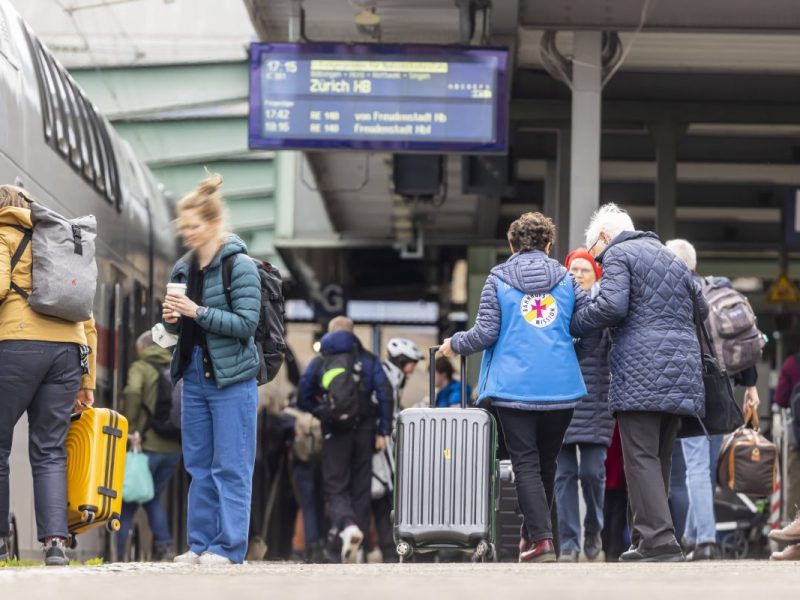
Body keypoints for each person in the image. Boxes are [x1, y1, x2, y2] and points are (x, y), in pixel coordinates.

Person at [440, 212, 598, 563]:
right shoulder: (568, 280)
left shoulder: (497, 279)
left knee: (525, 462)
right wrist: (570, 356)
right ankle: (534, 535)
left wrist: (455, 343)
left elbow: (485, 333)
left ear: (512, 245)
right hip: (561, 387)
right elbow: (589, 330)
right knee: (547, 463)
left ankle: (541, 539)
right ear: (549, 244)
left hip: (512, 388)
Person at [570, 204, 708, 563]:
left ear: (603, 238)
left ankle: (660, 541)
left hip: (642, 370)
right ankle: (648, 539)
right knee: (658, 457)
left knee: (640, 458)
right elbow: (702, 309)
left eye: (596, 253)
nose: (598, 262)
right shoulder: (671, 257)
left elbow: (613, 306)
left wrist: (577, 320)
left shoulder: (619, 254)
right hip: (683, 372)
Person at [162, 173, 262, 566]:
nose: (187, 233)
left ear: (214, 223)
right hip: (193, 374)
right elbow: (176, 329)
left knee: (231, 466)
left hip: (232, 378)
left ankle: (229, 547)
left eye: (194, 226)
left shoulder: (239, 266)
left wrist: (197, 312)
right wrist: (172, 318)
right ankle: (200, 544)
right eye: (183, 227)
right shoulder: (182, 270)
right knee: (198, 465)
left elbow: (246, 325)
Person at [0, 185, 97, 566]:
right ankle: (56, 543)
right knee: (50, 450)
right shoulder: (59, 238)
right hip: (68, 353)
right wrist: (87, 382)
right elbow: (87, 315)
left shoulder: (2, 233)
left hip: (18, 347)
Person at [666, 238, 761, 561]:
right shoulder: (716, 291)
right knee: (704, 471)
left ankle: (705, 540)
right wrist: (751, 386)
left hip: (692, 388)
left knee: (694, 468)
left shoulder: (678, 295)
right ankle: (694, 536)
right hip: (722, 390)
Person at [298, 316, 392, 563]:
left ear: (329, 333)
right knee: (361, 488)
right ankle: (358, 549)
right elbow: (384, 393)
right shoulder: (368, 359)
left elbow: (303, 395)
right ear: (353, 334)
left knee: (335, 485)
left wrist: (322, 412)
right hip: (365, 430)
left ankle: (348, 526)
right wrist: (383, 429)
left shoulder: (321, 360)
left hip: (334, 431)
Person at [555, 248, 613, 562]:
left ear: (596, 276)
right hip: (561, 403)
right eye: (573, 270)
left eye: (584, 271)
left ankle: (594, 528)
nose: (577, 275)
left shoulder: (605, 310)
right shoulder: (556, 309)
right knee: (563, 477)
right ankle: (568, 543)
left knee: (592, 474)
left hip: (596, 404)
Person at [117, 331, 182, 562]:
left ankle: (118, 552)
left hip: (147, 446)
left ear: (143, 347)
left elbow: (133, 391)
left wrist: (131, 427)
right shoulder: (176, 367)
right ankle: (164, 546)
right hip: (174, 449)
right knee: (151, 495)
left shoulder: (141, 367)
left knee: (127, 502)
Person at [372, 337, 422, 562]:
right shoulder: (389, 377)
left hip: (381, 442)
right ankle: (388, 549)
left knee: (382, 496)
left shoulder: (392, 375)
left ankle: (388, 549)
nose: (414, 368)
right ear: (402, 361)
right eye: (412, 362)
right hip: (380, 446)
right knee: (383, 495)